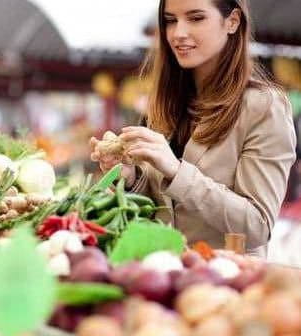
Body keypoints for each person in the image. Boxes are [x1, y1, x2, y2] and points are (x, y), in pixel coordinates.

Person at [90, 0, 296, 257]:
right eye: (170, 20)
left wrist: (176, 171)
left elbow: (257, 225)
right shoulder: (167, 102)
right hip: (162, 273)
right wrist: (132, 179)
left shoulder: (264, 107)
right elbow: (169, 208)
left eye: (196, 18)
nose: (178, 33)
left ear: (232, 21)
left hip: (223, 283)